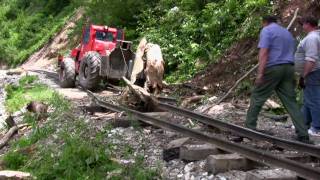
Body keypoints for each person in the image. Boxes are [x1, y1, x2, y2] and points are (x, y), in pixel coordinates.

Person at [245, 16, 311, 143]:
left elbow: (264, 52)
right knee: (291, 102)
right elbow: (294, 50)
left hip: (273, 68)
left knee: (257, 96)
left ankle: (249, 128)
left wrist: (260, 74)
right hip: (288, 68)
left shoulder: (267, 30)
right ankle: (303, 133)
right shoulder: (286, 32)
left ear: (264, 22)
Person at [294, 16, 320, 136]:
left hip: (312, 72)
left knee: (313, 99)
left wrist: (304, 75)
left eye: (303, 23)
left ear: (308, 24)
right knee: (307, 99)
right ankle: (303, 123)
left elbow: (311, 59)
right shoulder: (314, 36)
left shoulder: (312, 38)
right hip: (312, 72)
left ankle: (316, 127)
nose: (302, 26)